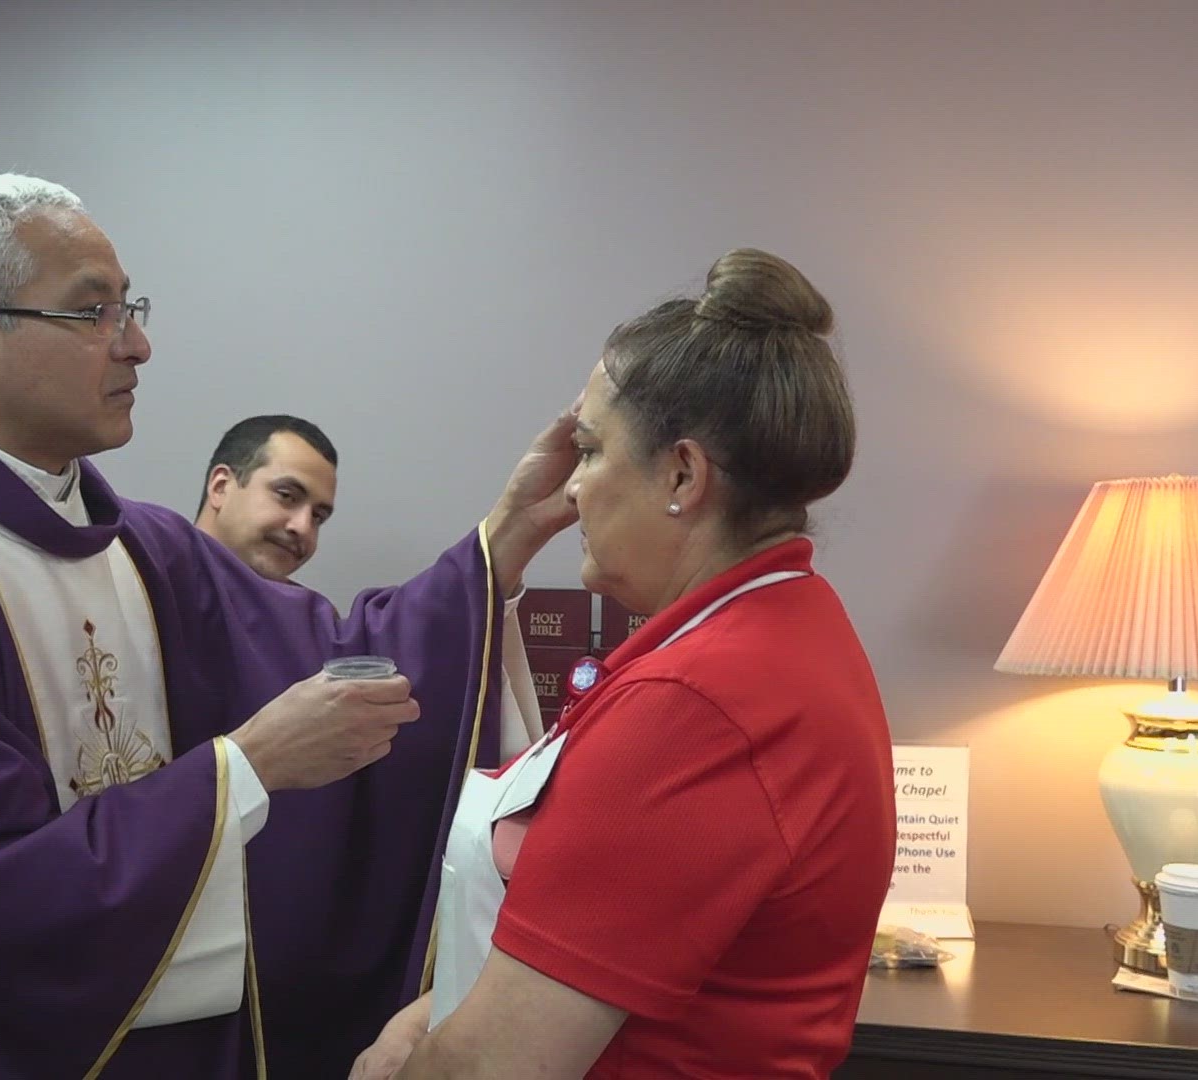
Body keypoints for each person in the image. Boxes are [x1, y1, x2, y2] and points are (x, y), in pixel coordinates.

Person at [0, 172, 568, 1080]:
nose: (136, 344)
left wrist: (504, 544)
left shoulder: (141, 546)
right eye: (92, 312)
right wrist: (244, 769)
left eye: (128, 307)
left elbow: (333, 654)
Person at [354, 249, 896, 1079]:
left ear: (682, 474)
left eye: (591, 450)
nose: (571, 489)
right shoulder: (785, 623)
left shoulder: (695, 705)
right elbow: (612, 948)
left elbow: (494, 1070)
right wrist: (437, 1011)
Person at [194, 414, 339, 582]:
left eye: (317, 516)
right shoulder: (159, 578)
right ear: (221, 487)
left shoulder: (308, 608)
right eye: (286, 496)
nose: (303, 528)